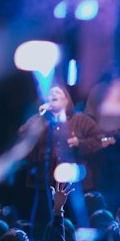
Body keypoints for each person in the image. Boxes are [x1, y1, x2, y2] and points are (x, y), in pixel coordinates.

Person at [24, 84, 105, 226]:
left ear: (66, 99)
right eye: (50, 93)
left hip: (73, 184)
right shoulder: (41, 120)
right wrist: (39, 116)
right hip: (44, 182)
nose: (53, 94)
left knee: (72, 221)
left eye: (57, 92)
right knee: (43, 222)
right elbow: (22, 135)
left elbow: (99, 140)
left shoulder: (80, 120)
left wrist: (80, 143)